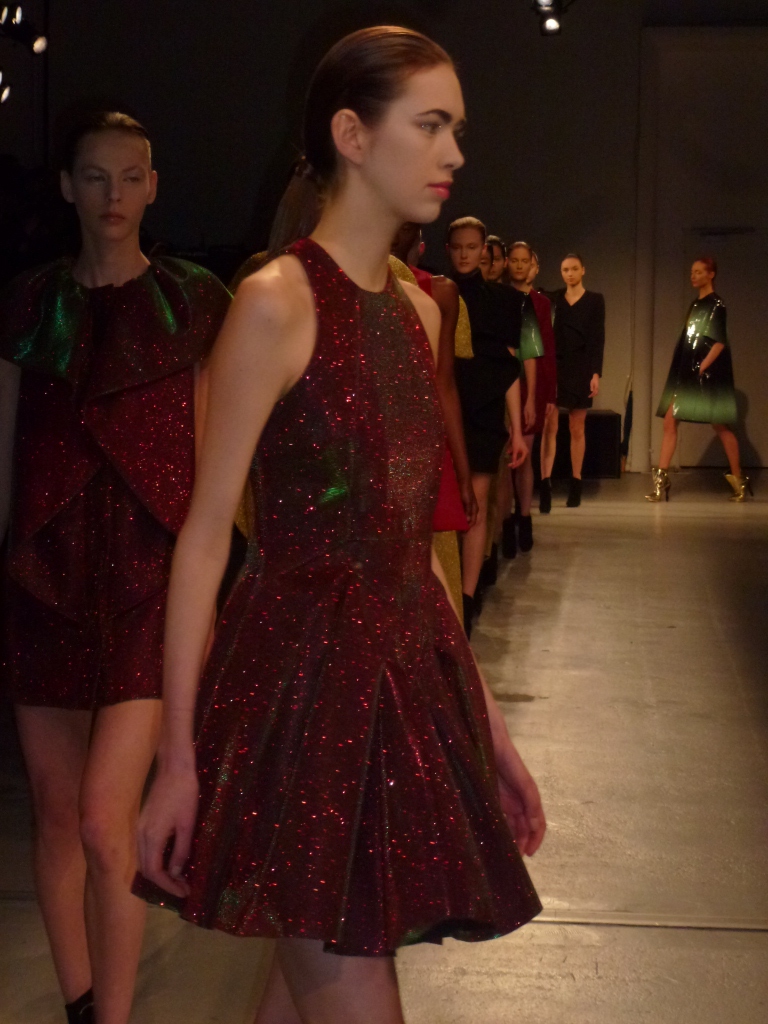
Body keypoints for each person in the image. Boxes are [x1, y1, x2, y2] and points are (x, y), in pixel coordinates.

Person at [134, 27, 545, 1024]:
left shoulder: (419, 312)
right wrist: (178, 761)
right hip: (298, 699)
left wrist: (488, 730)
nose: (455, 154)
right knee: (352, 992)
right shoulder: (275, 303)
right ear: (353, 136)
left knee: (306, 991)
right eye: (431, 126)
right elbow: (205, 538)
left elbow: (415, 555)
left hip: (398, 697)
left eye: (456, 129)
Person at [0, 113, 229, 1024]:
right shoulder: (28, 305)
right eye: (95, 177)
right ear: (67, 187)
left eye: (131, 177)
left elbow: (213, 473)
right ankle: (83, 1007)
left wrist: (207, 612)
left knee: (106, 821)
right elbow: (7, 455)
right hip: (43, 582)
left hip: (149, 586)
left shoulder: (193, 303)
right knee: (58, 816)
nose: (114, 195)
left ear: (154, 186)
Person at [446, 217, 527, 632]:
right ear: (449, 249)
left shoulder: (503, 301)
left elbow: (508, 367)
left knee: (475, 506)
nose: (464, 254)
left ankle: (466, 598)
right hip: (444, 411)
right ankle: (451, 598)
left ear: (484, 251)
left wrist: (517, 429)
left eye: (471, 247)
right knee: (445, 510)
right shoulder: (434, 293)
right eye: (457, 246)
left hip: (482, 412)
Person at [647, 257, 750, 502]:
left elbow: (719, 342)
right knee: (670, 419)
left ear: (711, 274)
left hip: (706, 372)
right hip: (688, 370)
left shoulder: (717, 305)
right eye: (692, 271)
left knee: (719, 424)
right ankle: (661, 482)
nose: (693, 275)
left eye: (698, 272)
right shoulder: (696, 304)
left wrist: (701, 367)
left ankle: (739, 480)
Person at [504, 243, 557, 546]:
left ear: (532, 265)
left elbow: (547, 349)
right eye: (515, 260)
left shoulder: (541, 304)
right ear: (507, 263)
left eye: (525, 261)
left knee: (525, 454)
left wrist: (548, 394)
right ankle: (508, 519)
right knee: (505, 458)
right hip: (504, 382)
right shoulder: (500, 297)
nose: (519, 265)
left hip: (531, 385)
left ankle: (524, 516)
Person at [547, 253, 605, 508]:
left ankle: (576, 482)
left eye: (573, 269)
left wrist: (595, 373)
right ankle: (546, 483)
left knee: (576, 427)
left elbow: (597, 337)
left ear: (583, 270)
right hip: (557, 365)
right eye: (565, 269)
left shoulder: (594, 300)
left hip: (581, 366)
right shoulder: (555, 299)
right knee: (550, 426)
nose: (569, 273)